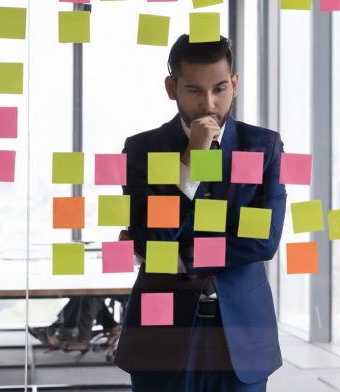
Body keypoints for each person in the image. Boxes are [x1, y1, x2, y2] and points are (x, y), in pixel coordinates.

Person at [115, 35, 287, 391]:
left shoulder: (263, 147)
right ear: (171, 87)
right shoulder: (142, 150)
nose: (209, 103)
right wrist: (190, 163)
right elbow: (153, 241)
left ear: (234, 85)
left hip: (242, 332)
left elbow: (263, 243)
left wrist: (181, 259)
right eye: (194, 91)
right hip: (160, 332)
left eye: (220, 89)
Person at [28, 296, 123, 352]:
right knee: (86, 296)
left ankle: (67, 332)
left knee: (89, 297)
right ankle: (113, 327)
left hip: (127, 284)